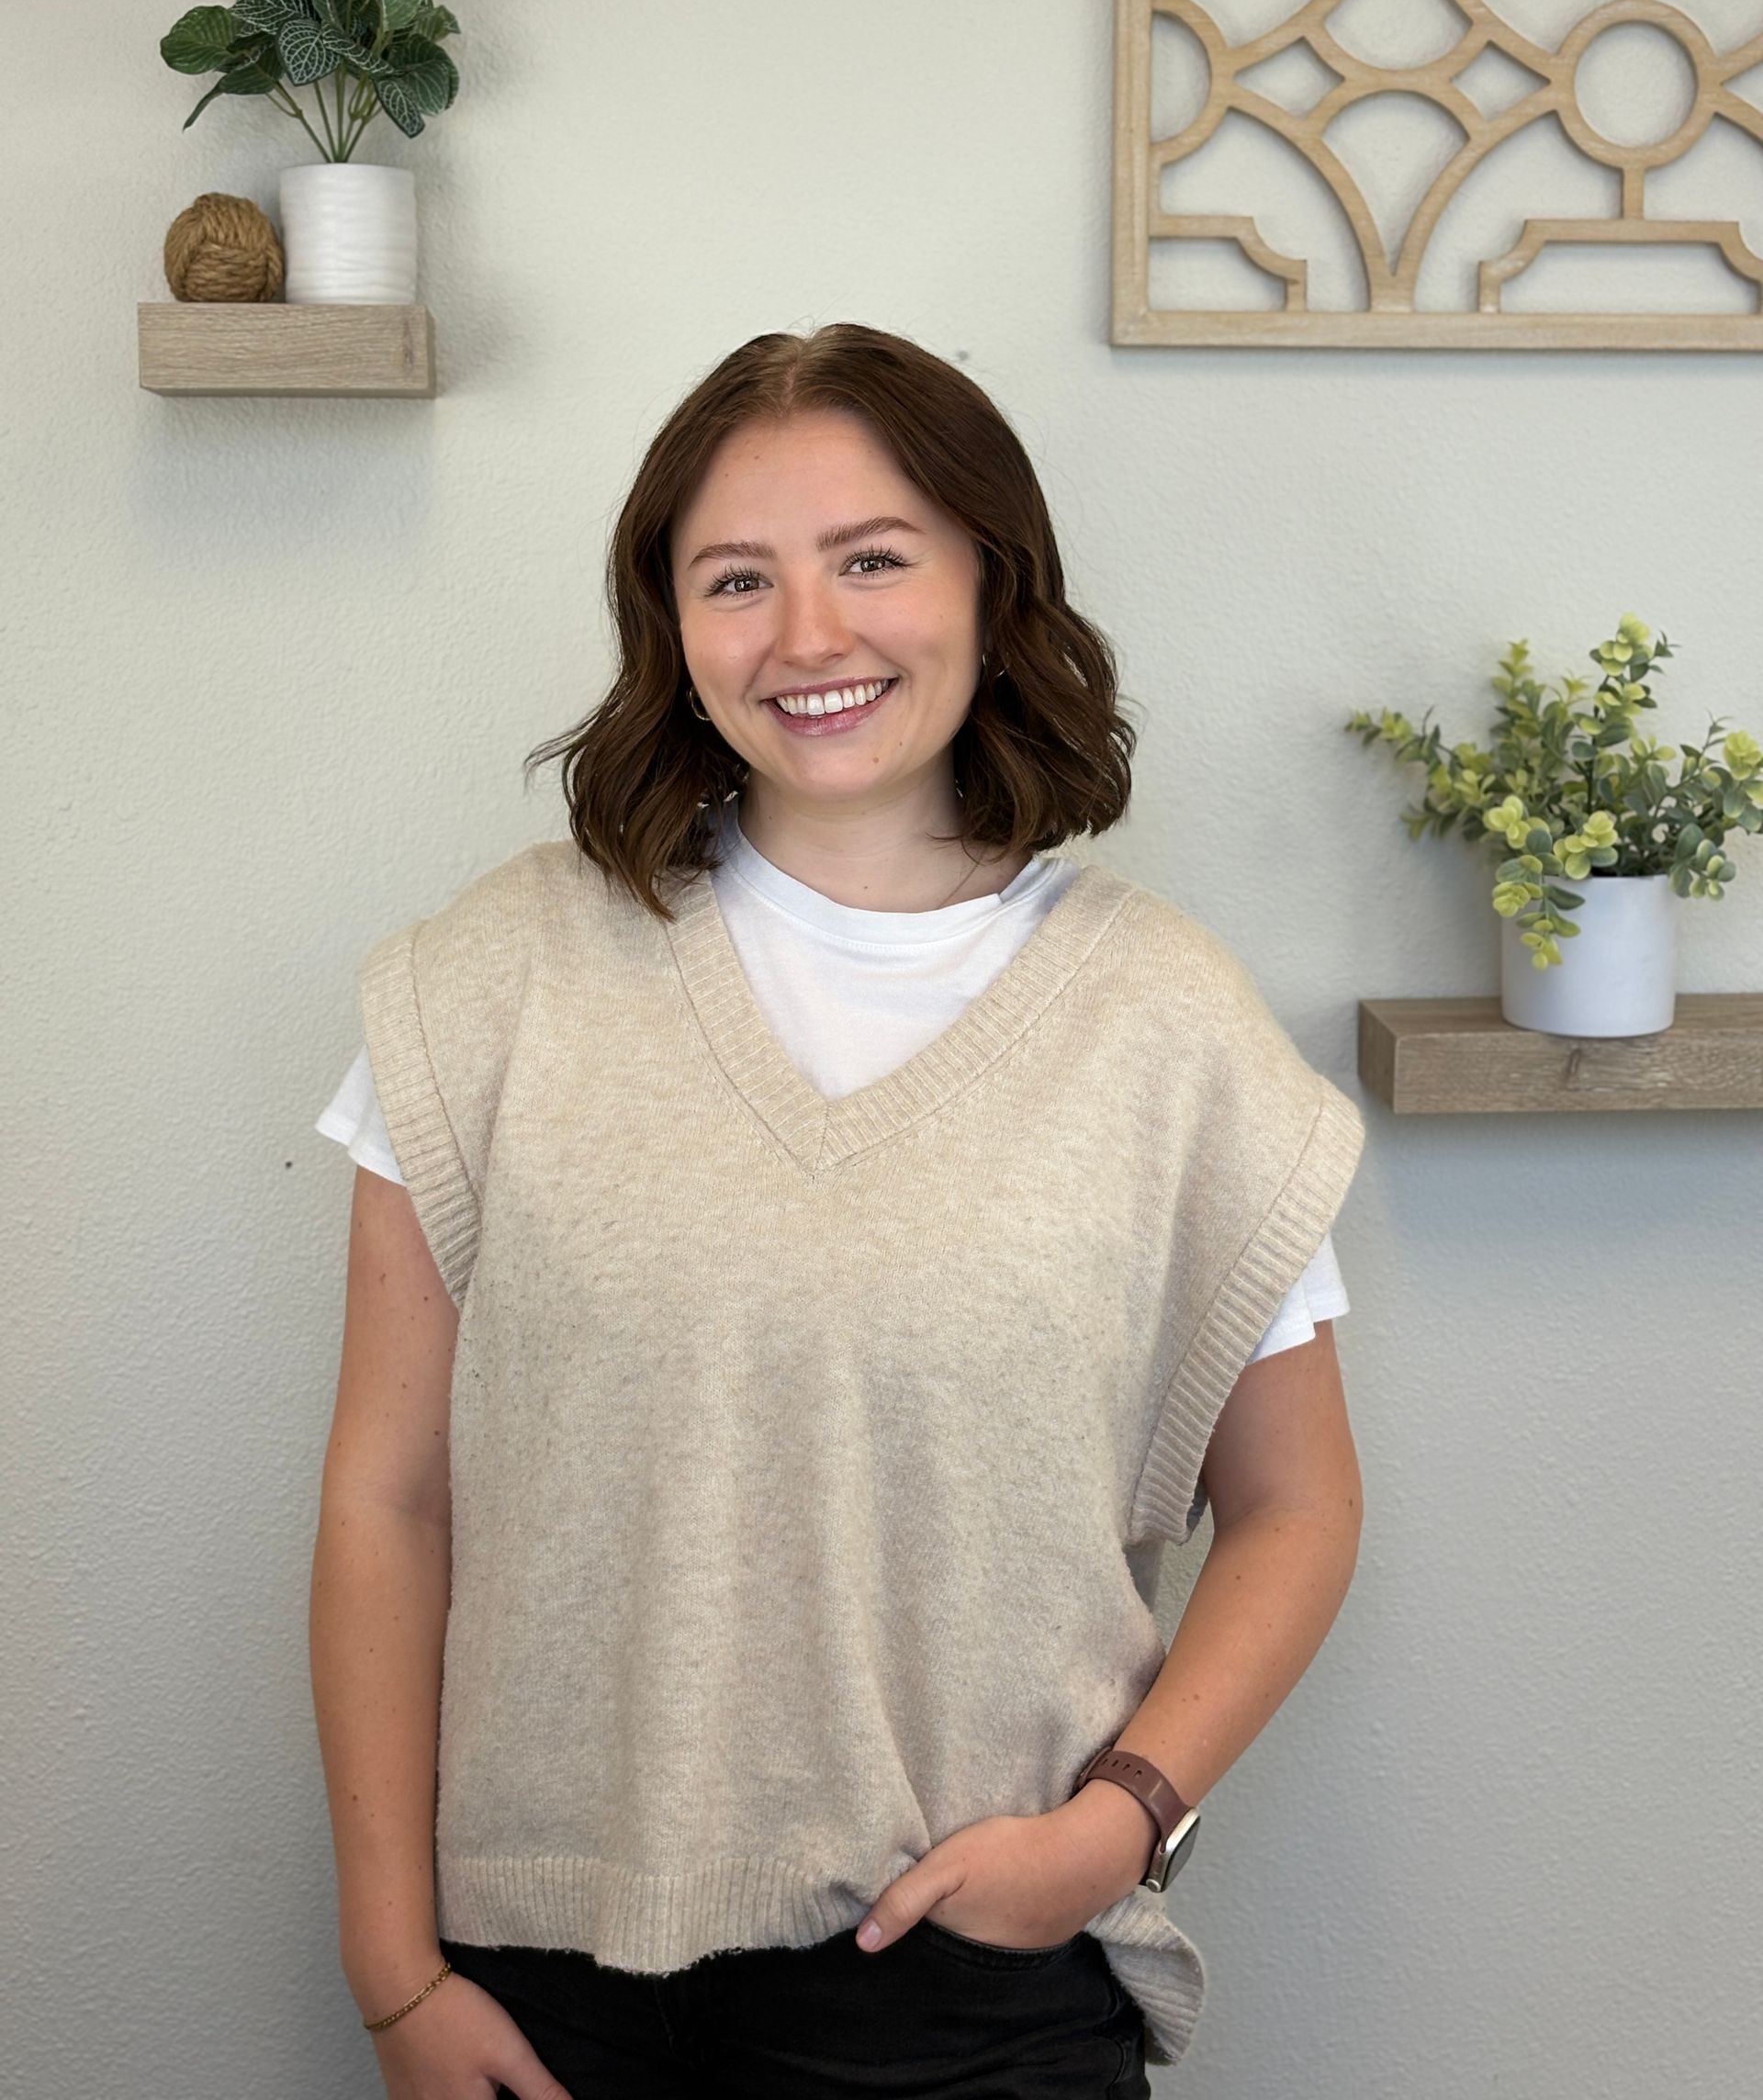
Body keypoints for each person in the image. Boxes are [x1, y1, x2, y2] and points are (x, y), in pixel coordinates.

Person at [309, 322, 1367, 2100]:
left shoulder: (1168, 1025)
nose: (808, 635)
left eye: (872, 558)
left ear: (990, 579)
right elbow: (383, 1494)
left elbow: (1300, 1502)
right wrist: (392, 1967)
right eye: (741, 578)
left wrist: (1121, 1829)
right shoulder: (493, 980)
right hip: (539, 1991)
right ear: (672, 624)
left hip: (973, 1995)